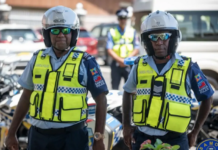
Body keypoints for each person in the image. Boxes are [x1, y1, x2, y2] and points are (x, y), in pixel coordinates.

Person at [5, 6, 108, 150]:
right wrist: (11, 133)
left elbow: (101, 98)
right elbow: (26, 96)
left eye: (65, 30)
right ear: (47, 34)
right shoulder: (37, 59)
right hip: (38, 138)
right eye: (55, 30)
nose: (60, 35)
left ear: (73, 33)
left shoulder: (86, 61)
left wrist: (99, 138)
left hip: (73, 138)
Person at [122, 10, 214, 150]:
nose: (159, 42)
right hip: (142, 138)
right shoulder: (139, 65)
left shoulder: (189, 67)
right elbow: (127, 92)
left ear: (173, 38)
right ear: (147, 40)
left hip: (175, 140)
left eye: (164, 36)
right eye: (154, 37)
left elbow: (207, 97)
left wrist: (195, 132)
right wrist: (127, 126)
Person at [107, 8, 139, 90]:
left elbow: (136, 48)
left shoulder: (132, 31)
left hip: (128, 63)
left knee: (130, 88)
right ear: (118, 19)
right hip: (116, 63)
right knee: (114, 88)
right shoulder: (112, 32)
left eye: (124, 18)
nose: (123, 20)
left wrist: (126, 60)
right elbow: (109, 49)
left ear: (127, 19)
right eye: (121, 18)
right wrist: (120, 60)